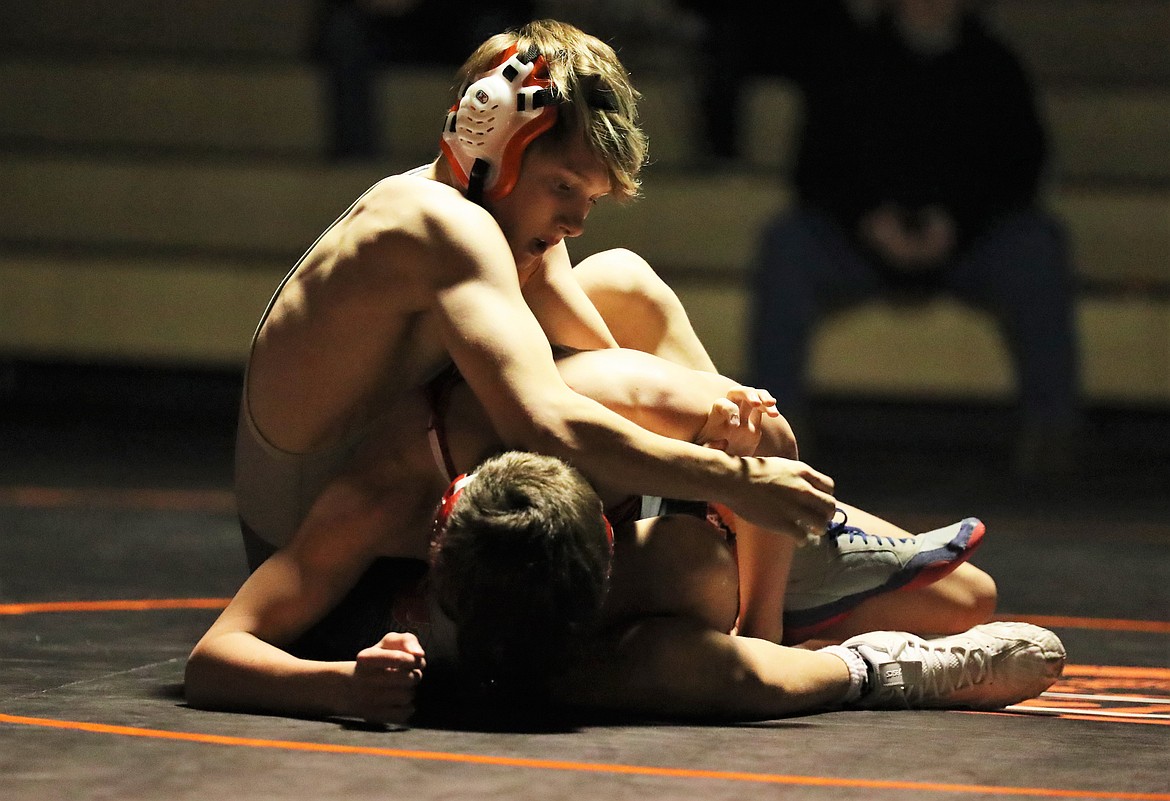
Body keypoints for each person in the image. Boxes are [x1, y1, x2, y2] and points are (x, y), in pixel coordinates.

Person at [184, 18, 1060, 725]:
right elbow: (547, 420)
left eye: (588, 200)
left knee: (628, 286)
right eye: (565, 188)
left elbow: (617, 350)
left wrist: (734, 462)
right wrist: (732, 476)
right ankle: (765, 548)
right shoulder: (436, 225)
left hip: (452, 494)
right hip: (351, 529)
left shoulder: (501, 217)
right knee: (684, 550)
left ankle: (786, 539)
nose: (572, 219)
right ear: (493, 134)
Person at [688, 0, 1082, 475]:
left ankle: (1053, 429)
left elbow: (1022, 170)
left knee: (1038, 244)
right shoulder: (849, 58)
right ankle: (773, 434)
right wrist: (868, 222)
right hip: (861, 244)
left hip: (968, 247)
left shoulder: (994, 63)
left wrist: (957, 224)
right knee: (787, 242)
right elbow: (814, 169)